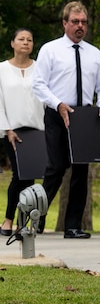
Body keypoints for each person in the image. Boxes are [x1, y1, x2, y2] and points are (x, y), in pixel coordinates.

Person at [32, 1, 100, 238]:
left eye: (83, 22)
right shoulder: (50, 50)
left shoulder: (95, 54)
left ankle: (73, 226)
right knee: (55, 168)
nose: (80, 26)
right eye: (75, 21)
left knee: (80, 172)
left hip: (85, 117)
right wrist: (58, 104)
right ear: (64, 23)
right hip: (58, 113)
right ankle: (36, 219)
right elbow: (38, 84)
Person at [0, 29, 45, 236]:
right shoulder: (2, 69)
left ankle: (23, 223)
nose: (26, 42)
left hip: (37, 130)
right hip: (12, 130)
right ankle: (9, 219)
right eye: (21, 39)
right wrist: (7, 128)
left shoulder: (40, 68)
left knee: (31, 179)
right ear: (12, 43)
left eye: (29, 39)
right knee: (19, 175)